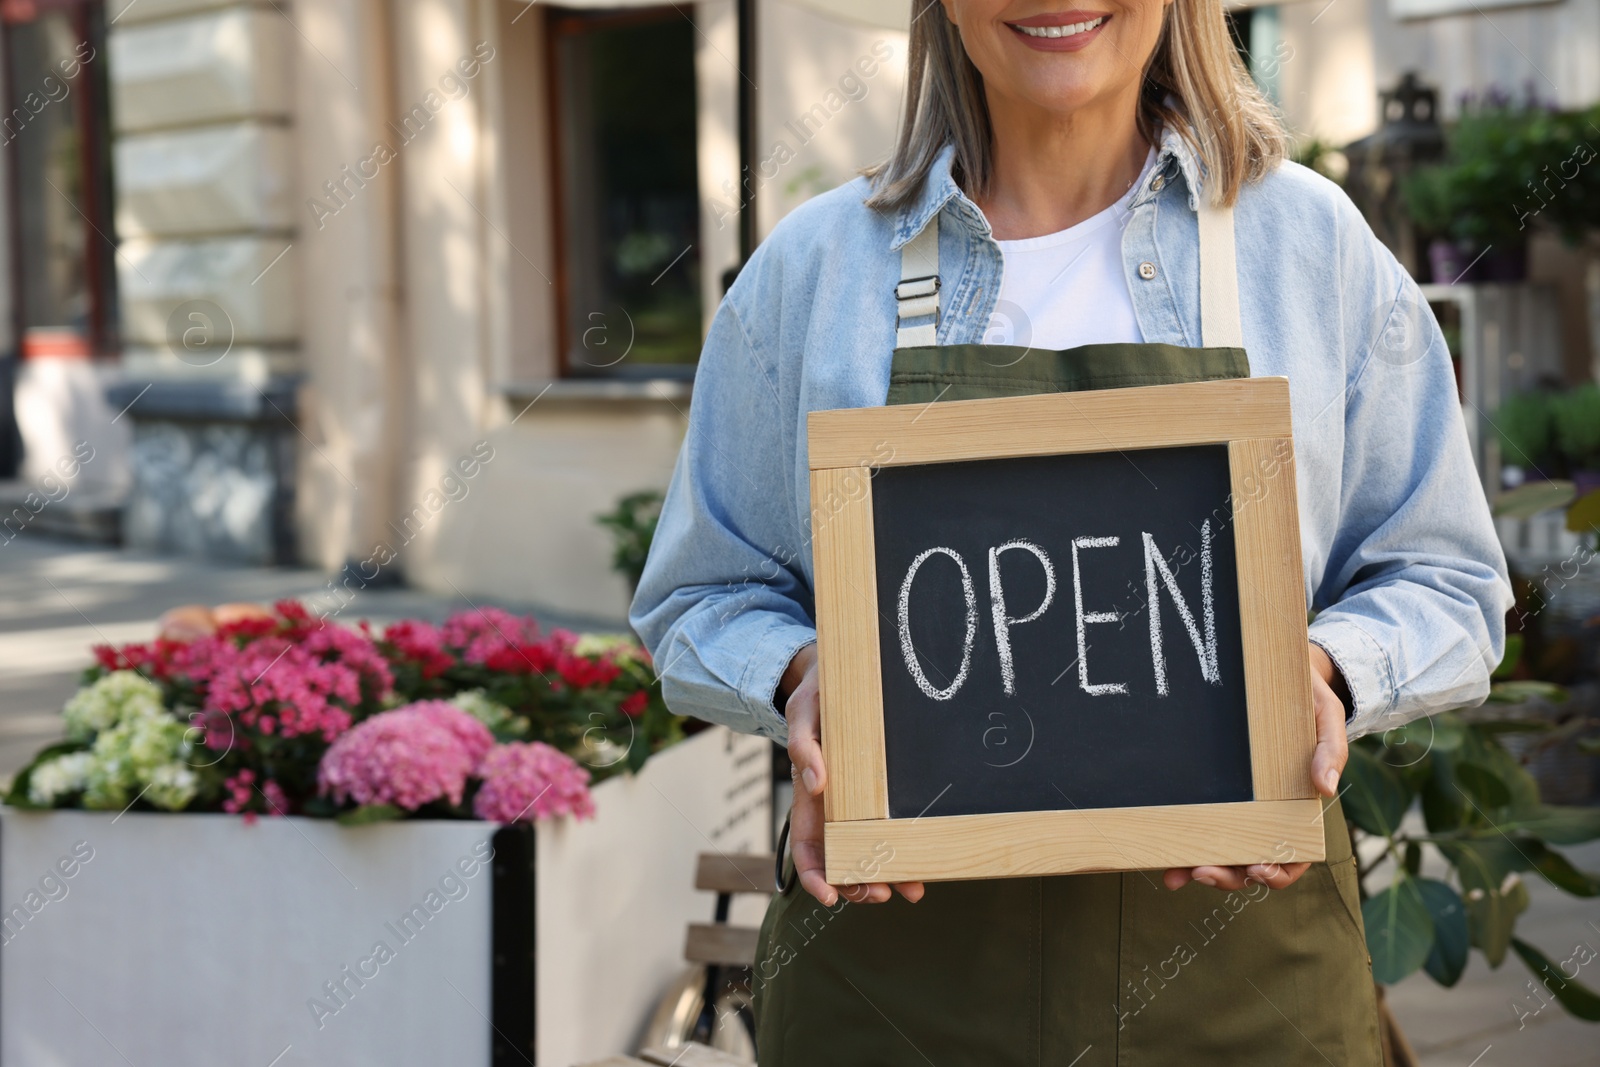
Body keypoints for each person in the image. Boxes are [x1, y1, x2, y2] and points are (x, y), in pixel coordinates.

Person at [631, 0, 1512, 1062]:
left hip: (1247, 988)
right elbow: (701, 591)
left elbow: (1444, 574)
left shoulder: (1310, 248)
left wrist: (1318, 672)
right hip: (889, 995)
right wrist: (801, 674)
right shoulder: (815, 272)